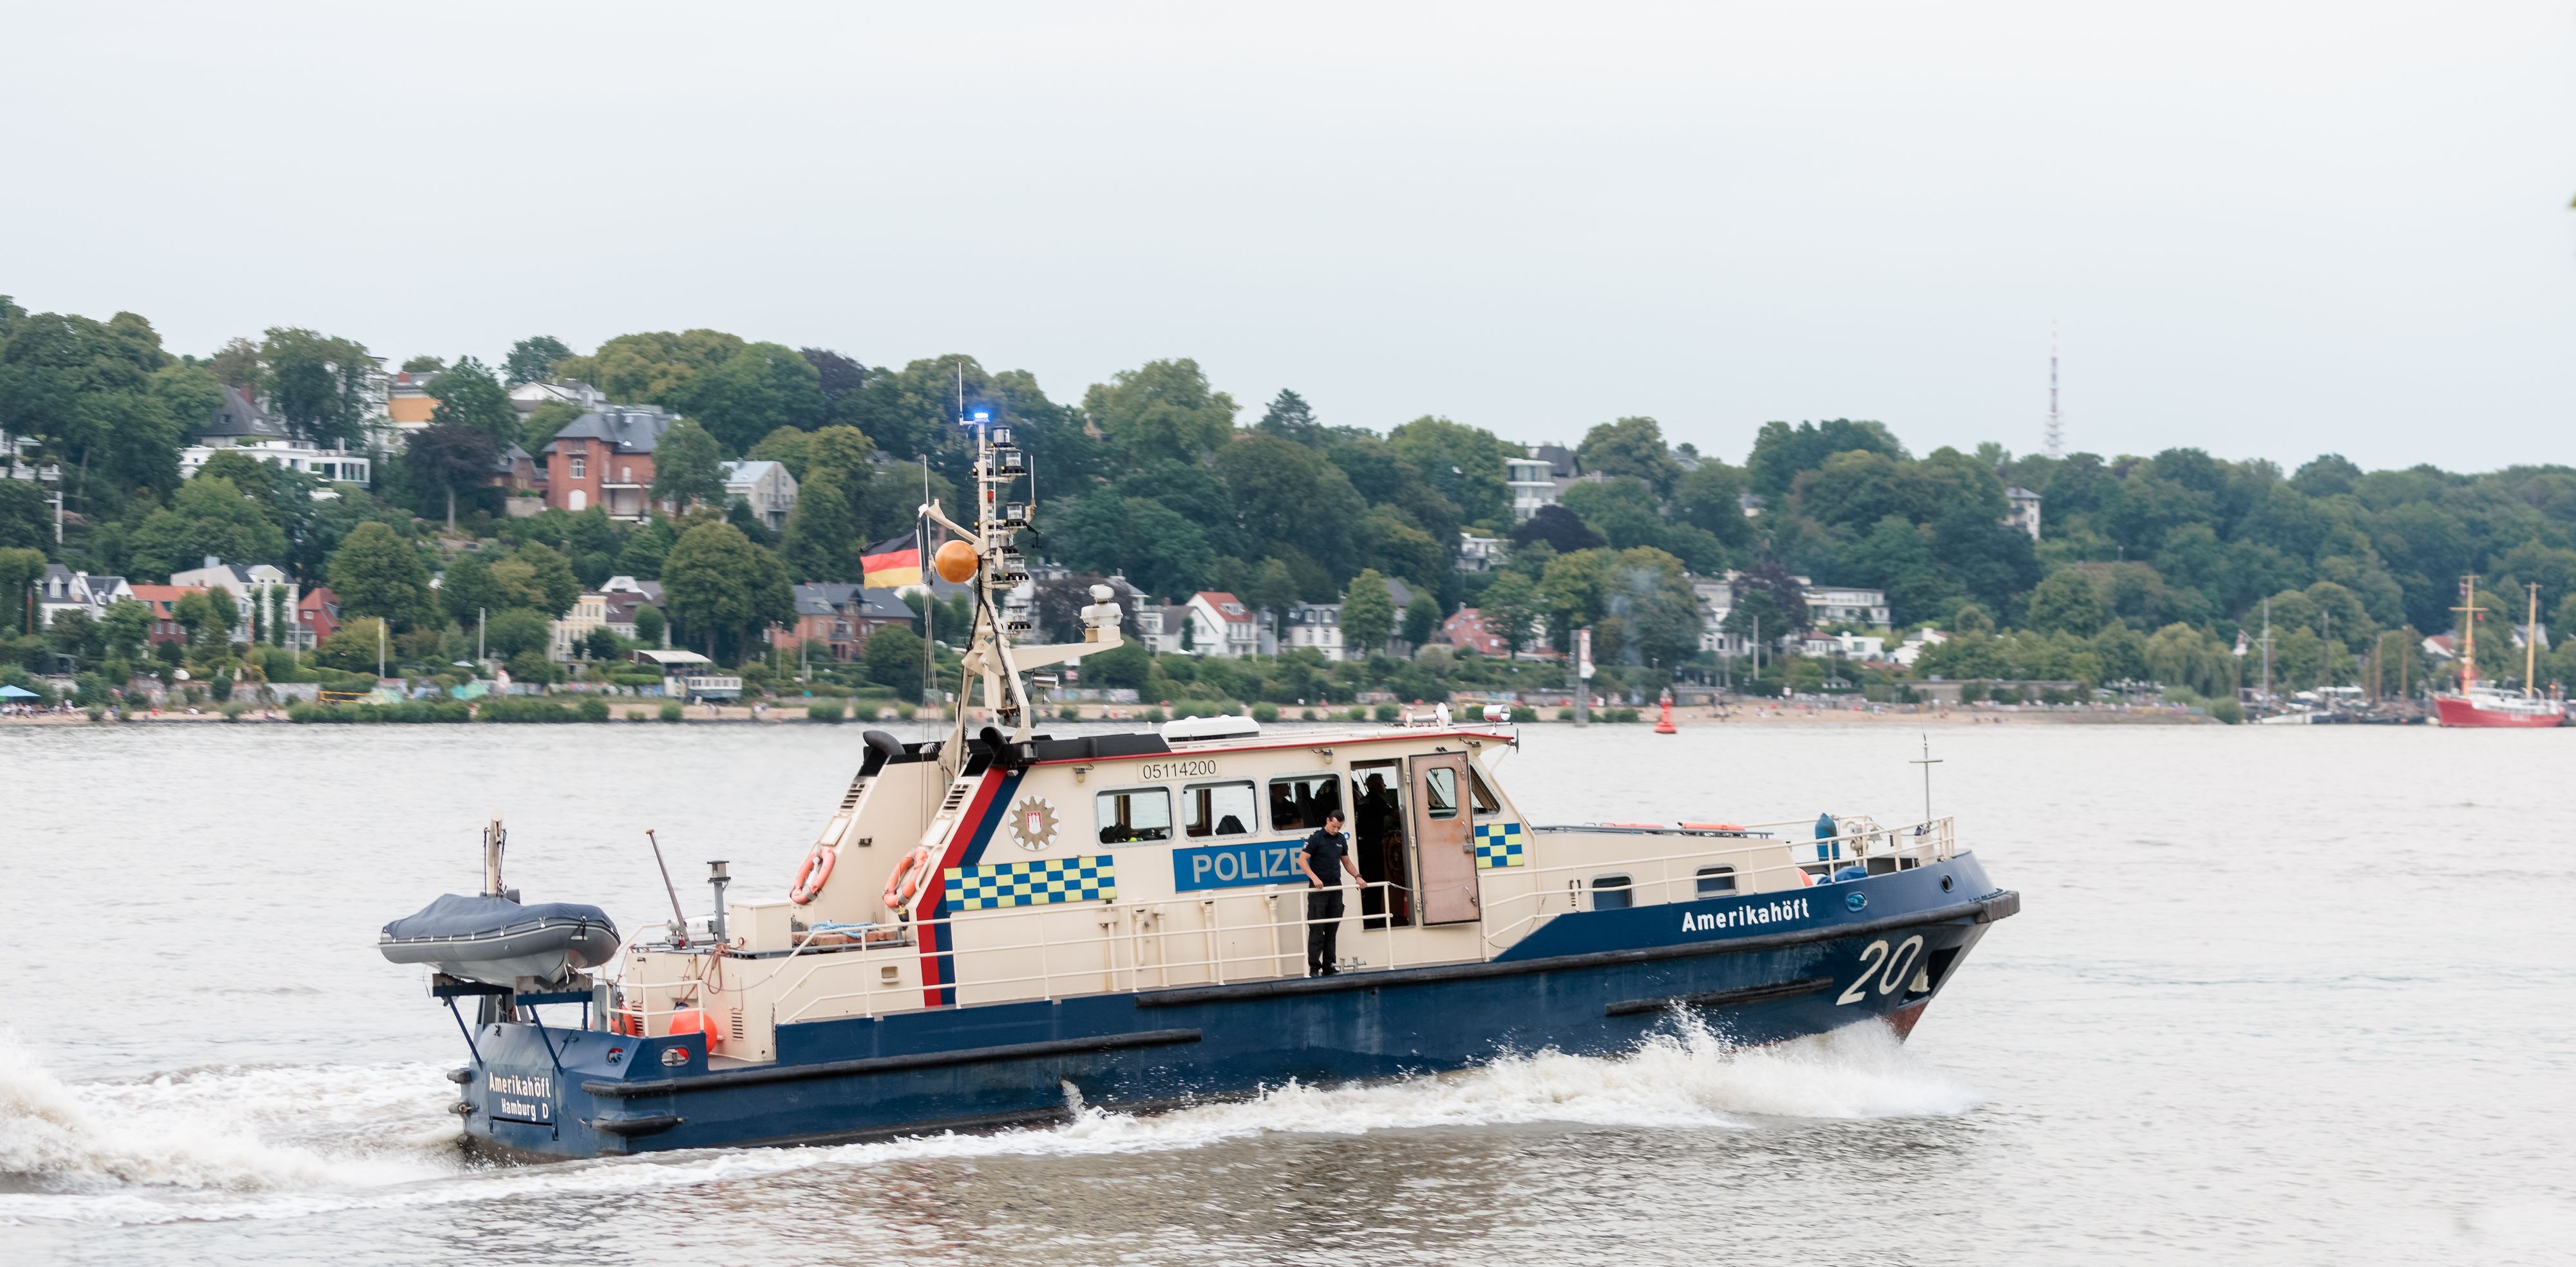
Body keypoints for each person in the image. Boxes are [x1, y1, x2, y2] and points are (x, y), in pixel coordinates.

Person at [1300, 809, 1362, 976]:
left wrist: (1358, 877)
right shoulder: (1316, 838)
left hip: (1335, 887)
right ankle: (1314, 967)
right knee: (1317, 928)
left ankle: (1329, 965)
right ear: (1328, 820)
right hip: (1319, 889)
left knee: (1332, 929)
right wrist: (1314, 878)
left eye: (1339, 828)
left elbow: (1346, 862)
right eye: (1333, 826)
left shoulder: (1341, 839)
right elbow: (1302, 860)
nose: (1335, 830)